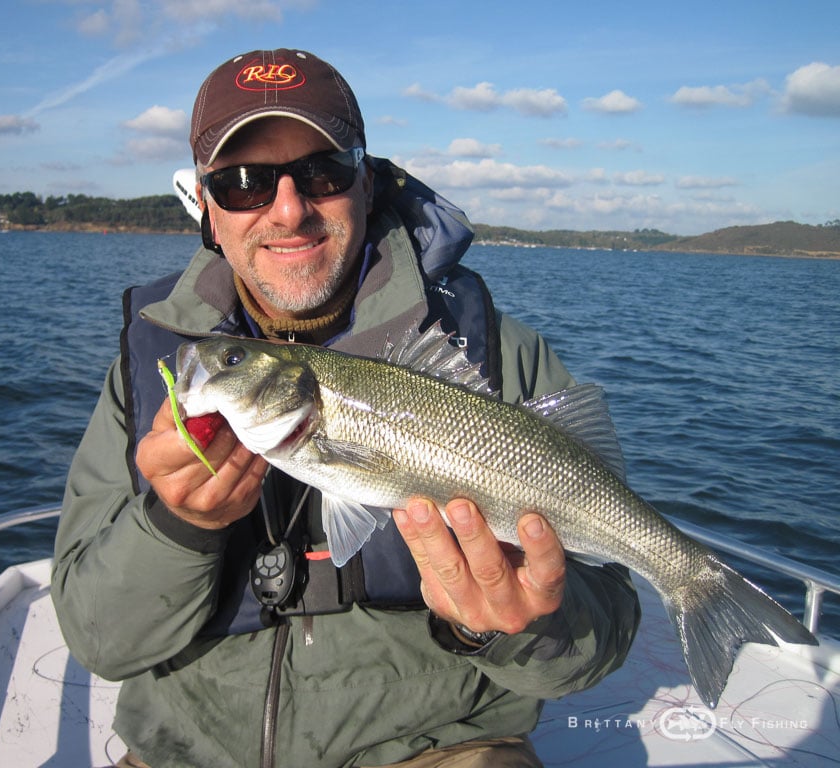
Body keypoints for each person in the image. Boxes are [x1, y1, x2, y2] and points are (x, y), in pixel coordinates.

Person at [52, 49, 641, 768]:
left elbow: (602, 634)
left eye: (324, 171)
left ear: (366, 182)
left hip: (444, 747)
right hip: (186, 749)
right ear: (205, 207)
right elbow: (99, 642)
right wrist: (178, 526)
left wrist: (507, 626)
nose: (290, 208)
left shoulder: (497, 355)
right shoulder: (154, 363)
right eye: (244, 184)